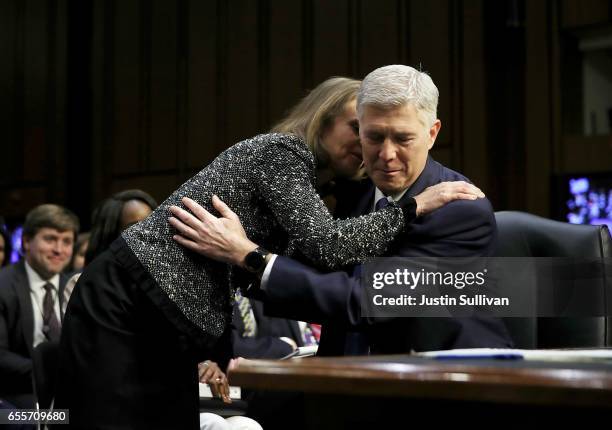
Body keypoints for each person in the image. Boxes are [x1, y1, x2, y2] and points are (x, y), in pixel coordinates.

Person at [56, 76, 483, 429]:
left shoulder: (326, 186)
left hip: (164, 320)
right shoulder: (282, 152)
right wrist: (412, 207)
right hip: (127, 301)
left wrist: (245, 255)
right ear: (323, 117)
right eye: (361, 129)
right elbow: (328, 246)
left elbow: (292, 265)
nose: (370, 147)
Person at [168, 65, 513, 357]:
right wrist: (228, 249)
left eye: (403, 139)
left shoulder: (461, 208)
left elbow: (365, 300)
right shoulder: (353, 193)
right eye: (374, 137)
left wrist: (251, 256)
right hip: (349, 377)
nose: (387, 155)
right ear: (359, 130)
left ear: (432, 133)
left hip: (444, 384)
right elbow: (311, 277)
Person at [0, 204, 78, 408]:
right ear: (26, 241)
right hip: (17, 395)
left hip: (73, 392)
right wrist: (51, 373)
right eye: (50, 239)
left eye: (67, 241)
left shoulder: (77, 286)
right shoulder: (3, 285)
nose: (58, 250)